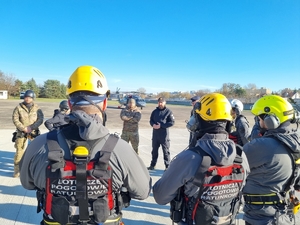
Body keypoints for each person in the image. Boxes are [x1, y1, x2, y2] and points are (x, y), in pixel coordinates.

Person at [19, 65, 151, 225]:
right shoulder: (120, 149)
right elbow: (143, 192)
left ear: (69, 102)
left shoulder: (38, 144)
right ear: (104, 104)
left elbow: (27, 183)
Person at [153, 93, 250, 225]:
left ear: (198, 121)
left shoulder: (189, 158)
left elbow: (160, 196)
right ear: (228, 123)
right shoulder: (240, 156)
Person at [242, 95, 300, 225]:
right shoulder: (295, 142)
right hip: (284, 214)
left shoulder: (262, 146)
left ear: (271, 120)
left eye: (260, 118)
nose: (258, 122)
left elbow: (231, 162)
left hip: (261, 217)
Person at [12, 89, 44, 178]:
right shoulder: (18, 108)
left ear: (32, 98)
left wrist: (31, 127)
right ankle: (17, 171)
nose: (27, 99)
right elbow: (15, 119)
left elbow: (40, 119)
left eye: (29, 97)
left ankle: (32, 170)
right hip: (21, 132)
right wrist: (23, 128)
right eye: (26, 97)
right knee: (19, 152)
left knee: (35, 152)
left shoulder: (37, 108)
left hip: (33, 132)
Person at [148, 97, 175, 170]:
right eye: (159, 102)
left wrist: (162, 126)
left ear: (165, 102)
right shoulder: (154, 111)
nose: (160, 104)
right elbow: (151, 120)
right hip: (155, 135)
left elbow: (172, 122)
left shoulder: (168, 112)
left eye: (162, 102)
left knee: (166, 152)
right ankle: (152, 165)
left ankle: (167, 166)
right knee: (154, 151)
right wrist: (153, 125)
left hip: (164, 135)